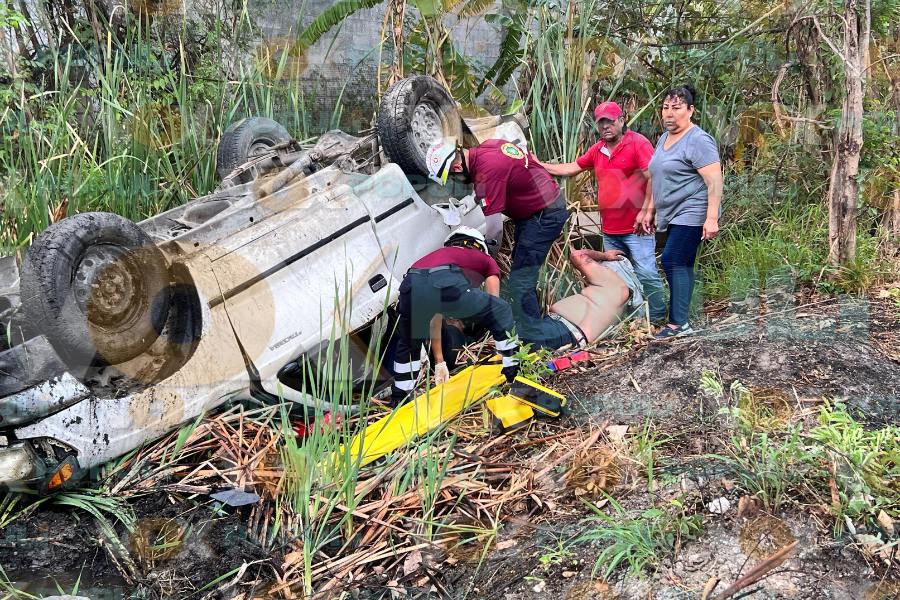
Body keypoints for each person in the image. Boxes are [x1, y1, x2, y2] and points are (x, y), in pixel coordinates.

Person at [425, 137, 568, 334]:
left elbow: (495, 229)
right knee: (522, 269)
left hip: (544, 216)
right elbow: (499, 179)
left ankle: (536, 335)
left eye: (451, 176)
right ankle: (530, 322)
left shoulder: (487, 172)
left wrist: (486, 260)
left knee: (520, 279)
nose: (454, 180)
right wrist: (472, 201)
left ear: (457, 167)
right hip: (541, 207)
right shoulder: (488, 147)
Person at [541, 101, 667, 323]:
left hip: (637, 227)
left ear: (621, 120)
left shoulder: (638, 143)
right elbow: (572, 168)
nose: (606, 126)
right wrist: (538, 164)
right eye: (601, 123)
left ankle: (657, 316)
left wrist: (647, 211)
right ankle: (631, 318)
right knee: (617, 279)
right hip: (610, 229)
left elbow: (654, 178)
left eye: (610, 121)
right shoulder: (597, 149)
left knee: (646, 272)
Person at [390, 226, 520, 406]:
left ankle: (400, 399)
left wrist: (439, 361)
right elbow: (494, 302)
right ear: (478, 246)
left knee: (409, 344)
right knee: (501, 309)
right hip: (444, 281)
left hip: (410, 285)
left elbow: (434, 318)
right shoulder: (484, 258)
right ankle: (514, 372)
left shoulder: (437, 256)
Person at [637, 85, 722, 339]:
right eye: (665, 108)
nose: (669, 114)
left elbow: (715, 180)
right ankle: (681, 319)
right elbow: (656, 175)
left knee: (672, 258)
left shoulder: (698, 140)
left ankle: (678, 324)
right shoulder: (664, 138)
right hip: (670, 212)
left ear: (690, 110)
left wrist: (711, 217)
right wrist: (650, 210)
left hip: (692, 209)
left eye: (676, 108)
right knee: (680, 262)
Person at [514, 248, 644, 350]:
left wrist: (604, 256)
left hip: (562, 331)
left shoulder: (614, 283)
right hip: (561, 332)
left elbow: (578, 255)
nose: (597, 265)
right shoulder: (616, 295)